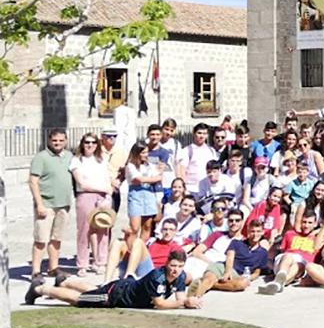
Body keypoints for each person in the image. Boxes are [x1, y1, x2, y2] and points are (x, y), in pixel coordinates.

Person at [25, 250, 200, 310]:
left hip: (124, 287)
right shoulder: (157, 277)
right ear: (167, 263)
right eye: (173, 265)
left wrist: (188, 301)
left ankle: (65, 281)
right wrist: (184, 303)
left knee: (92, 290)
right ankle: (40, 289)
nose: (176, 270)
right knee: (80, 300)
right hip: (116, 296)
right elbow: (160, 304)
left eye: (180, 266)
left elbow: (179, 298)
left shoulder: (180, 276)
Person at [28, 129, 73, 280]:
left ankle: (53, 268)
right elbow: (33, 181)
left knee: (56, 238)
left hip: (63, 204)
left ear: (66, 141)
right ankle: (36, 271)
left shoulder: (69, 156)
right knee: (41, 239)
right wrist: (39, 204)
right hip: (46, 204)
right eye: (54, 140)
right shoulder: (41, 157)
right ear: (49, 141)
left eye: (61, 140)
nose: (57, 143)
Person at [70, 133, 113, 276]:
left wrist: (108, 196)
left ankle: (100, 261)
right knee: (84, 231)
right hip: (85, 196)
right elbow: (82, 183)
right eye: (87, 142)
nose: (90, 145)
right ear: (82, 144)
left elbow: (107, 179)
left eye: (93, 142)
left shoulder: (102, 159)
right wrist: (102, 189)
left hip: (102, 197)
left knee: (103, 229)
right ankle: (82, 264)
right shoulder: (76, 160)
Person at [192, 220, 268, 297]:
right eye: (252, 231)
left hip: (238, 275)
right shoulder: (237, 243)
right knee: (208, 279)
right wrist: (227, 272)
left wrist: (249, 278)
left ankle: (212, 284)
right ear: (248, 232)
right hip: (223, 267)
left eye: (258, 231)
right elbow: (230, 258)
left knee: (243, 284)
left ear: (262, 232)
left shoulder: (263, 253)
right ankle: (195, 298)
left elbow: (257, 272)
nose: (255, 234)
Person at [259, 208, 320, 294]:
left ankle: (277, 284)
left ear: (315, 224)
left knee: (299, 265)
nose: (306, 225)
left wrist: (318, 230)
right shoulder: (290, 234)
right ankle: (280, 279)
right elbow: (282, 251)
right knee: (289, 256)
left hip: (301, 267)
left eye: (310, 223)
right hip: (284, 261)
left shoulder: (317, 238)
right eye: (304, 222)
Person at [126, 141, 165, 240]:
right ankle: (130, 247)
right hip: (136, 196)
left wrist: (157, 174)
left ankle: (141, 247)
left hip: (149, 195)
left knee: (147, 226)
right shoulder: (131, 166)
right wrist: (154, 179)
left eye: (147, 152)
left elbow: (159, 176)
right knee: (134, 227)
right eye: (143, 153)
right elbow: (138, 179)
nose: (146, 155)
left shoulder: (149, 165)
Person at [176, 123, 218, 194]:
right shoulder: (187, 150)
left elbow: (215, 169)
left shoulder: (211, 150)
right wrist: (184, 189)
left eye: (204, 133)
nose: (202, 136)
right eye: (199, 133)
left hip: (208, 189)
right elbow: (182, 171)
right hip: (192, 189)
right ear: (194, 134)